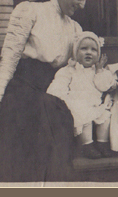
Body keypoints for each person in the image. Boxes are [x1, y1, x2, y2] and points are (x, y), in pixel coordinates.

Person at [0, 0, 95, 182]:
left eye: (86, 0)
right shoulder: (29, 11)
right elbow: (9, 59)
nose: (82, 5)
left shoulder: (75, 28)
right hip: (25, 91)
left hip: (55, 93)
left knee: (58, 131)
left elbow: (76, 69)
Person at [47, 31, 114, 159]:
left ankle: (102, 143)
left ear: (98, 54)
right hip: (76, 104)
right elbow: (59, 84)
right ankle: (87, 145)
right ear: (76, 52)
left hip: (95, 104)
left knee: (105, 117)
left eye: (94, 50)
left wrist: (100, 70)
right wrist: (61, 99)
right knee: (85, 119)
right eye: (84, 49)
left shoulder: (99, 70)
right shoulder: (70, 70)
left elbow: (103, 86)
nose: (89, 52)